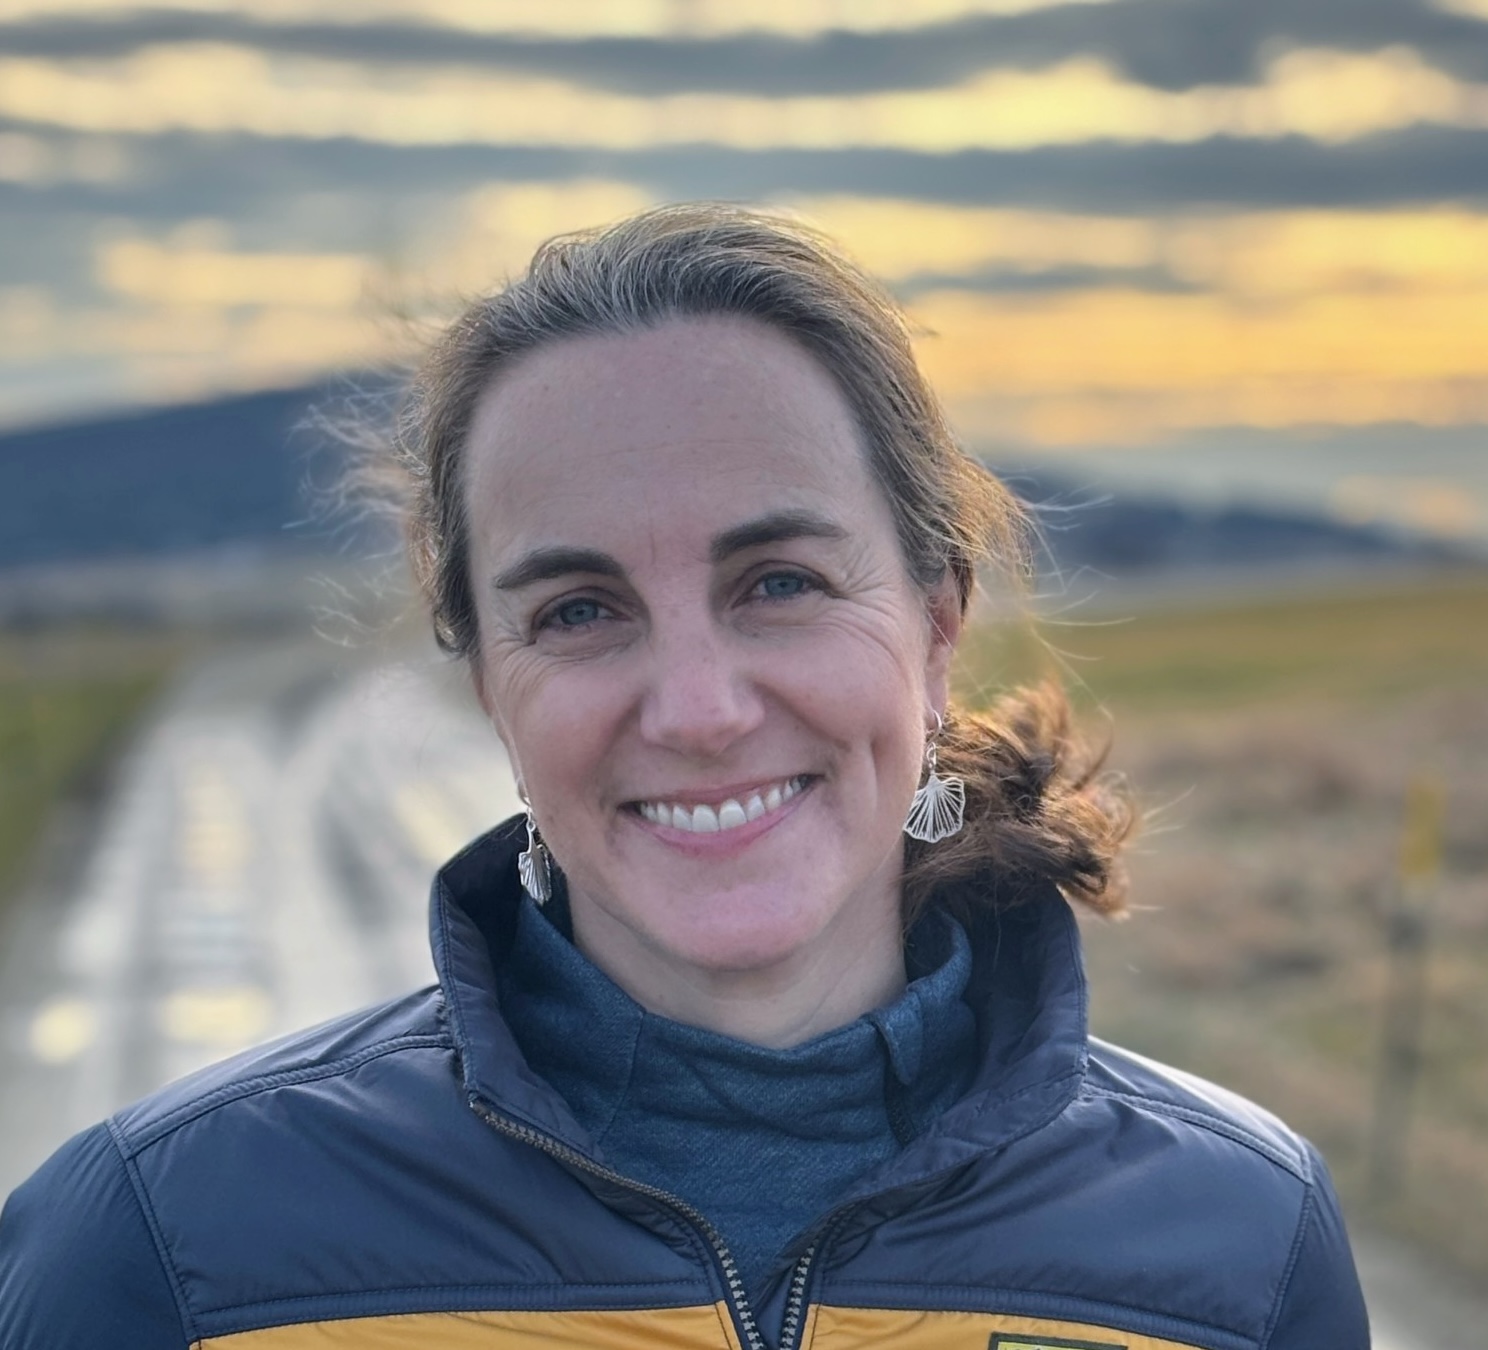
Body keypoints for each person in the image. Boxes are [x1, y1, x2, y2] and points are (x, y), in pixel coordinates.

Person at [0, 204, 1368, 1349]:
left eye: (779, 582)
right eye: (581, 610)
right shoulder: (168, 1248)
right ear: (489, 681)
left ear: (939, 625)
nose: (702, 710)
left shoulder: (1241, 1249)